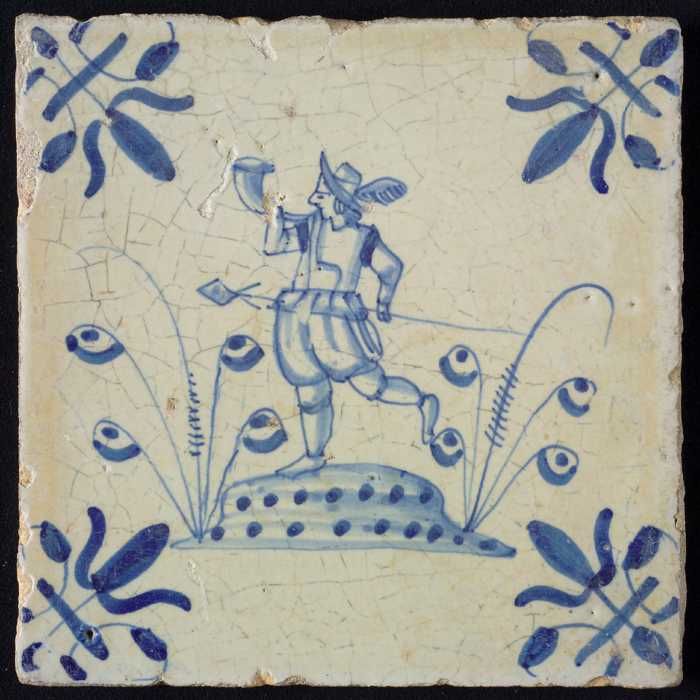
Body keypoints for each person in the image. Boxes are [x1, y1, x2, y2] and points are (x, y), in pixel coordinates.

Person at [260, 152, 439, 475]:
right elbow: (274, 246)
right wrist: (272, 212)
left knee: (372, 385)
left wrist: (384, 300)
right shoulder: (312, 226)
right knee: (309, 390)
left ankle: (423, 402)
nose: (313, 199)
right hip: (297, 316)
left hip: (336, 322)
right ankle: (314, 455)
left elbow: (391, 267)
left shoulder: (362, 237)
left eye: (321, 194)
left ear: (340, 201)